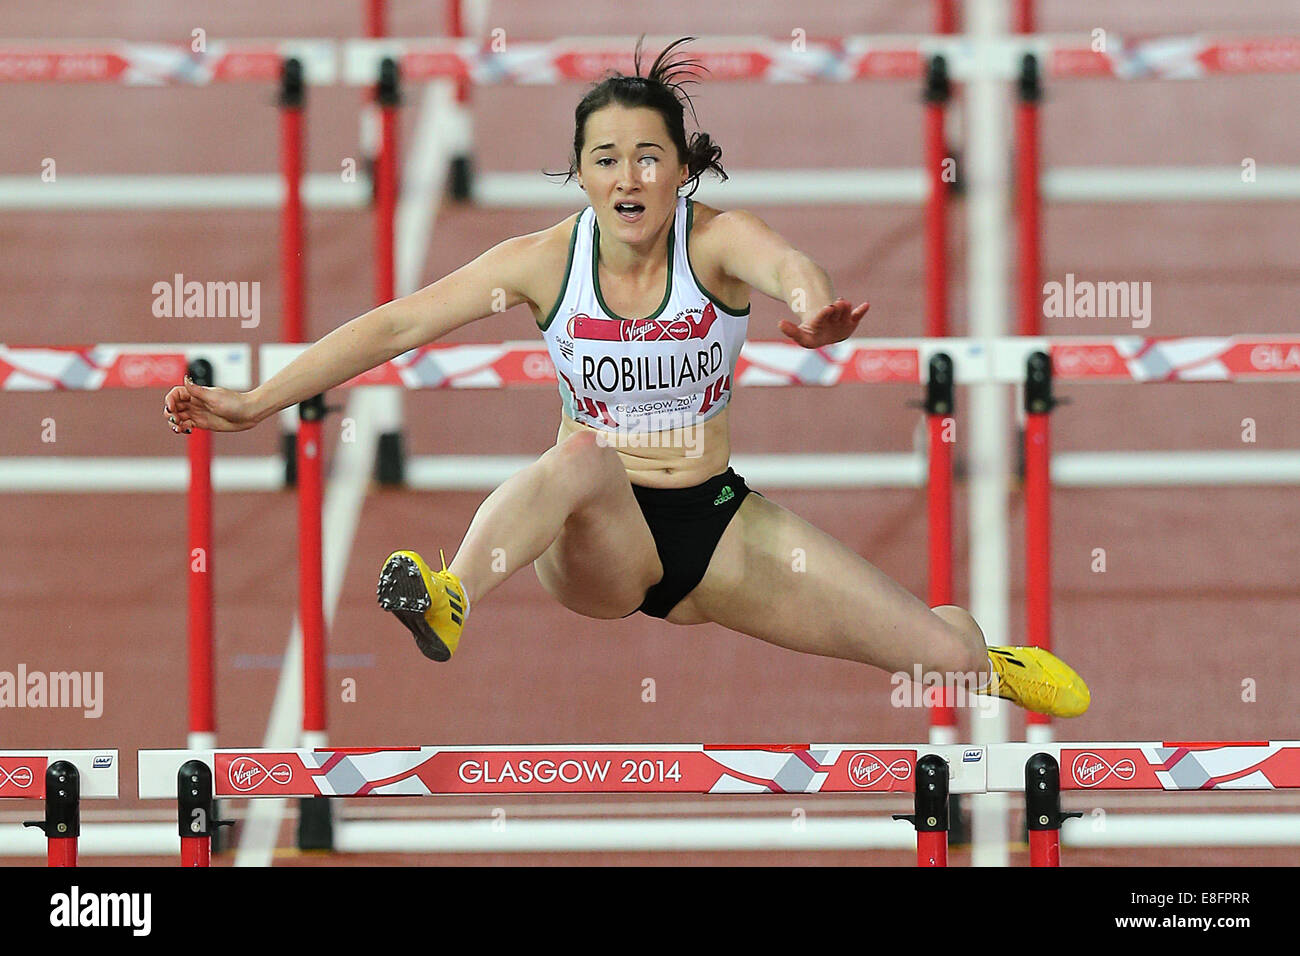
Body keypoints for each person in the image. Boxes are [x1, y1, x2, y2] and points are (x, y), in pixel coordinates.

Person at [163, 37, 1088, 718]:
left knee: (940, 656)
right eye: (606, 160)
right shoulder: (539, 262)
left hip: (719, 527)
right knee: (583, 459)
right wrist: (254, 402)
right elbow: (400, 323)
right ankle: (450, 592)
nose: (629, 176)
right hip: (599, 539)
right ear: (581, 174)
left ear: (681, 168)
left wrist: (810, 311)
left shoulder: (715, 241)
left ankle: (986, 652)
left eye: (650, 156)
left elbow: (789, 265)